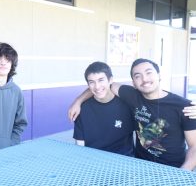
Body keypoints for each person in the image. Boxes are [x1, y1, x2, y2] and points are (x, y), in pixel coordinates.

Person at [68, 58, 196, 171]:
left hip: (173, 169)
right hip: (139, 165)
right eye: (137, 76)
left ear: (159, 75)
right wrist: (78, 101)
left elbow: (194, 146)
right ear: (133, 82)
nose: (144, 79)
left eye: (149, 72)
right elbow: (102, 86)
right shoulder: (131, 96)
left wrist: (183, 171)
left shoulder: (184, 107)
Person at [73, 62, 134, 156]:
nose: (97, 86)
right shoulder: (82, 109)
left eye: (101, 80)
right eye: (91, 82)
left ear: (110, 80)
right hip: (93, 160)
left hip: (123, 160)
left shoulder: (127, 105)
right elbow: (79, 146)